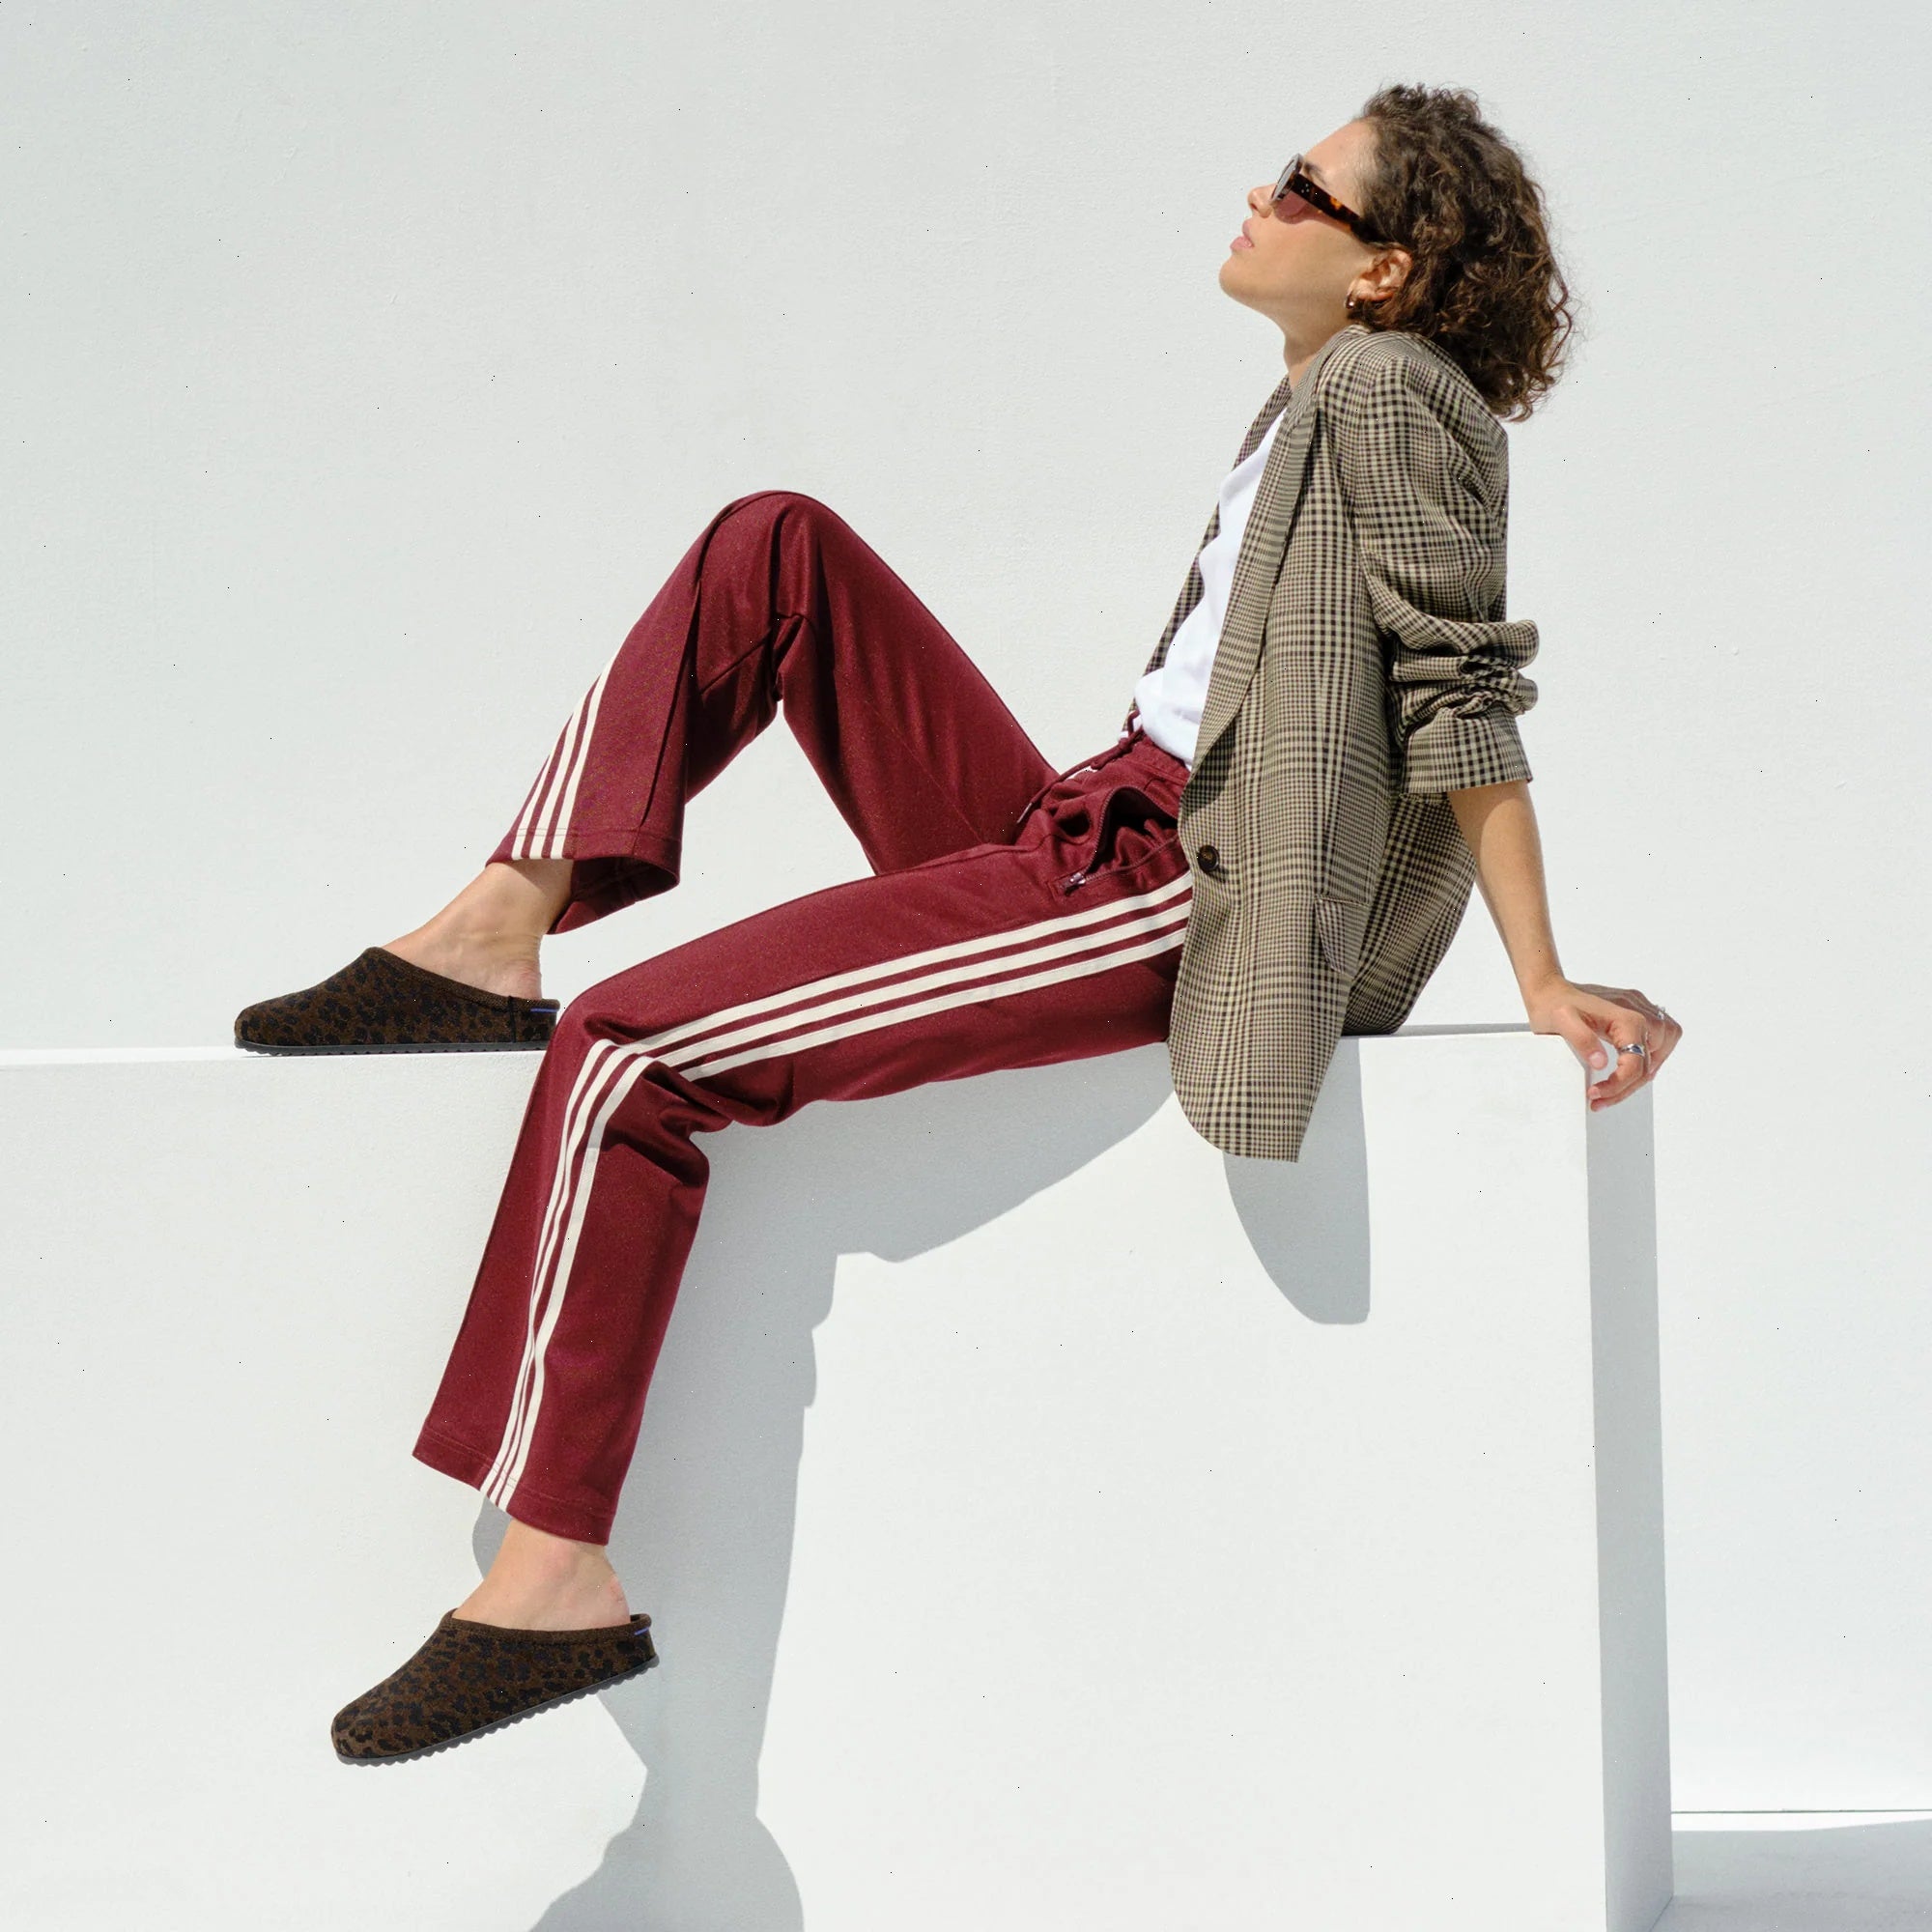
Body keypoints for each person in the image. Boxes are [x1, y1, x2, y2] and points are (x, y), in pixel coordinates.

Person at [250, 83, 1682, 1766]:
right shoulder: (1303, 396)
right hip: (1089, 817)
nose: (1260, 194)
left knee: (631, 1050)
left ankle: (555, 1568)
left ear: (1386, 268)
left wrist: (1537, 975)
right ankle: (498, 923)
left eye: (1305, 187)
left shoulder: (1390, 391)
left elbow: (1456, 693)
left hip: (1171, 889)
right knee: (776, 549)